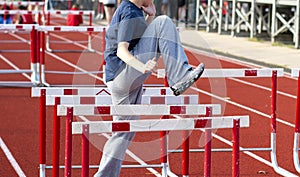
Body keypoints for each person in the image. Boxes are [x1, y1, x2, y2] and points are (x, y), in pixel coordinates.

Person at [93, 0, 204, 176]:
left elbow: (145, 39)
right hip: (123, 74)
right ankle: (180, 76)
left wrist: (150, 16)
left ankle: (104, 175)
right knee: (164, 22)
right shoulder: (129, 11)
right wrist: (141, 66)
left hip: (120, 79)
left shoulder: (135, 10)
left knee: (123, 131)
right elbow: (122, 50)